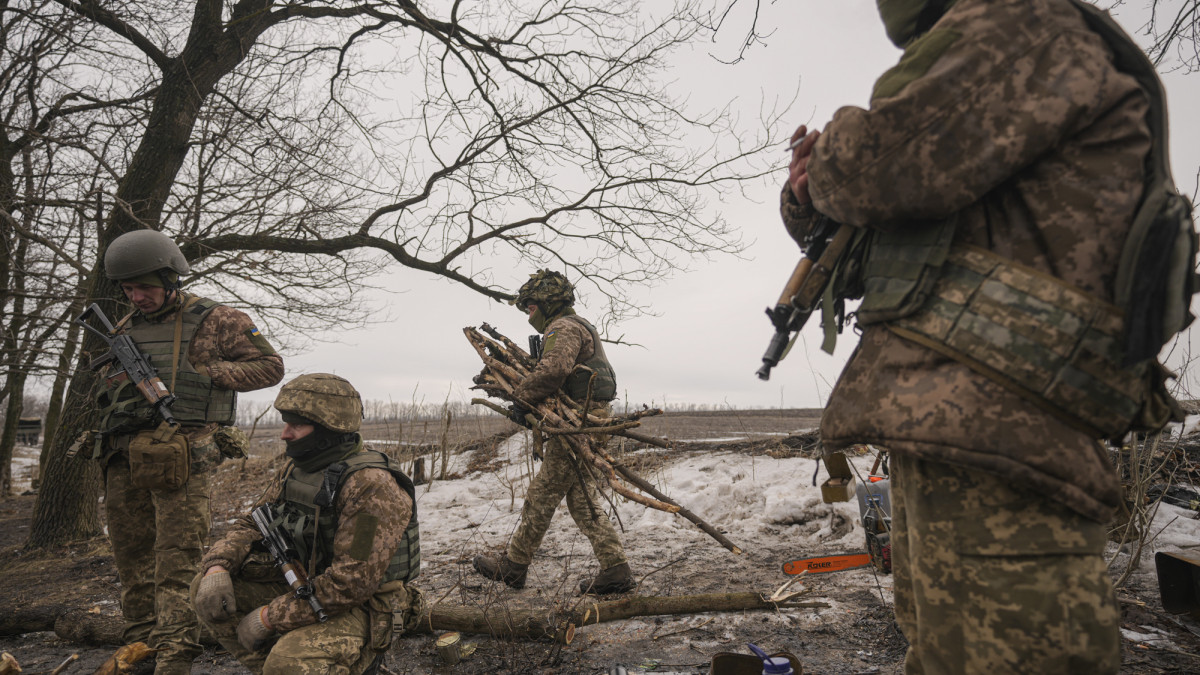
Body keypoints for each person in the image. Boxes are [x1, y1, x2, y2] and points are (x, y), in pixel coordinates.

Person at [779, 1, 1190, 673]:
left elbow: (887, 165)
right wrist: (808, 195)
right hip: (958, 431)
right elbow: (879, 251)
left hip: (1006, 434)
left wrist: (840, 143)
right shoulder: (996, 45)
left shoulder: (1020, 26)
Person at [94, 229, 285, 675]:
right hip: (126, 454)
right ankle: (140, 646)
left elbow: (271, 367)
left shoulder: (218, 319)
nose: (136, 297)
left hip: (183, 453)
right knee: (131, 555)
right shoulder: (123, 328)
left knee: (177, 557)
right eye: (127, 289)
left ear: (170, 277)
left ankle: (176, 654)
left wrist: (208, 373)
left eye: (145, 287)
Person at [191, 373, 422, 675]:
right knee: (206, 588)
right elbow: (256, 520)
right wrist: (218, 565)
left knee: (288, 663)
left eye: (296, 424)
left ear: (328, 429)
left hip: (363, 606)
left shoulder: (371, 487)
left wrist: (269, 617)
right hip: (304, 585)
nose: (285, 433)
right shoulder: (298, 468)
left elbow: (350, 585)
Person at [472, 269, 635, 595]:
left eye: (531, 307)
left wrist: (521, 398)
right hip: (588, 420)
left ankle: (515, 566)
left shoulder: (562, 327)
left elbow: (554, 369)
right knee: (583, 499)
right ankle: (616, 569)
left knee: (543, 492)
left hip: (578, 423)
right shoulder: (577, 325)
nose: (528, 313)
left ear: (547, 303)